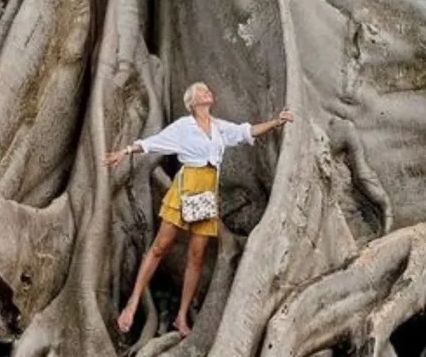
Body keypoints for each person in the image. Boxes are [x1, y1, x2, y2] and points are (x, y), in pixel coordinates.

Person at [104, 81, 294, 337]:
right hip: (185, 187)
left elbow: (246, 131)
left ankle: (181, 317)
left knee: (197, 256)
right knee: (161, 247)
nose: (208, 92)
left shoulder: (219, 127)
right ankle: (133, 302)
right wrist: (125, 151)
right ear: (192, 102)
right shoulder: (184, 127)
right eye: (202, 90)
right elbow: (154, 143)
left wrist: (276, 122)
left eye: (208, 89)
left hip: (207, 192)